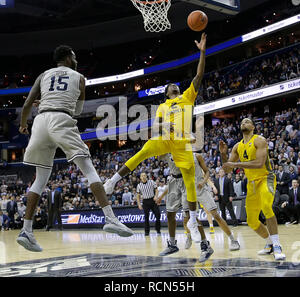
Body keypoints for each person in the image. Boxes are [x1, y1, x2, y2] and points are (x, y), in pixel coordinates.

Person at [17, 45, 134, 252]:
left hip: (40, 121)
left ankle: (26, 230)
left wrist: (23, 124)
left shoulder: (44, 75)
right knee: (89, 170)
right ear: (69, 58)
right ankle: (110, 219)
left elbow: (27, 103)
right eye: (74, 56)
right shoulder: (79, 77)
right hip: (61, 118)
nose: (76, 58)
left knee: (40, 180)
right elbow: (77, 110)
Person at [104, 33, 207, 243]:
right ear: (167, 93)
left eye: (175, 85)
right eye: (170, 86)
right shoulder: (162, 106)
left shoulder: (187, 97)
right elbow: (156, 124)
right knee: (143, 152)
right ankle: (112, 181)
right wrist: (164, 124)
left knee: (189, 180)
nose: (173, 86)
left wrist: (202, 53)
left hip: (182, 142)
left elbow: (198, 76)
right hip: (166, 139)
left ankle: (193, 223)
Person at [220, 118, 286, 260]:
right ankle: (268, 243)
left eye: (247, 121)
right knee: (251, 221)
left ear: (253, 127)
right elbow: (227, 168)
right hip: (251, 183)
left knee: (267, 207)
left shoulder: (259, 140)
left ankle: (277, 245)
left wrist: (237, 164)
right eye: (242, 122)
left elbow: (259, 163)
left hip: (265, 178)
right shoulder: (237, 146)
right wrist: (223, 154)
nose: (244, 123)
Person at [156, 154, 214, 262]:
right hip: (173, 180)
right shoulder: (168, 148)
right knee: (170, 214)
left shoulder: (183, 144)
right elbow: (158, 157)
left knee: (190, 216)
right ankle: (172, 244)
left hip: (186, 179)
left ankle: (206, 246)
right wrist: (161, 196)